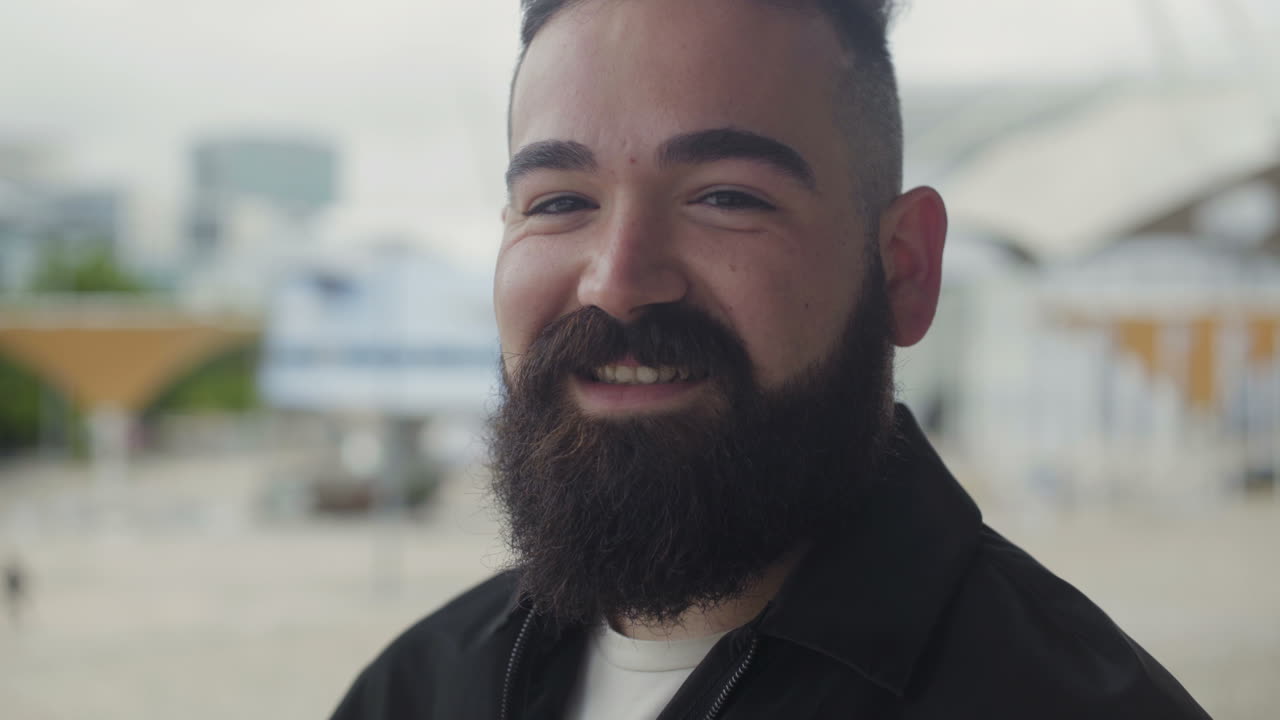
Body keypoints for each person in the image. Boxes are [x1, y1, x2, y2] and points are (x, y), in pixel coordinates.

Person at [332, 0, 1209, 717]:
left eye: (726, 197)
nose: (618, 282)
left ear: (905, 269)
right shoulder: (418, 689)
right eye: (559, 201)